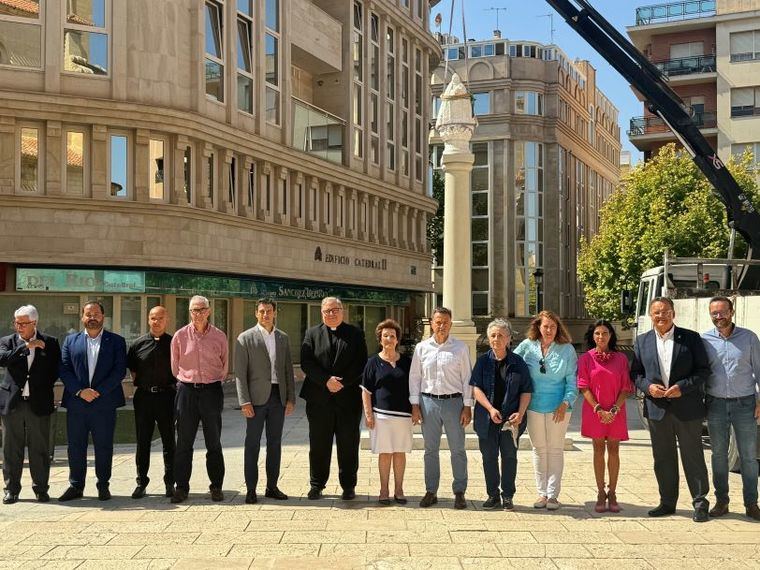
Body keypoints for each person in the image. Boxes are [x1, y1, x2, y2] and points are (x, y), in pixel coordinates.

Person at [632, 297, 711, 522]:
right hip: (657, 409)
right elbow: (635, 374)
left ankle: (700, 502)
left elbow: (703, 371)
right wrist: (648, 387)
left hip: (687, 407)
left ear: (673, 313)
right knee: (663, 458)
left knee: (693, 456)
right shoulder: (642, 341)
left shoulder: (691, 338)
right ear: (651, 315)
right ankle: (667, 502)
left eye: (665, 311)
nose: (661, 316)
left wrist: (682, 388)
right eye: (656, 313)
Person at [58, 301, 127, 501]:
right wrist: (80, 391)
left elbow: (119, 371)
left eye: (96, 313)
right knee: (75, 446)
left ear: (103, 317)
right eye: (88, 314)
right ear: (82, 317)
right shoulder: (71, 341)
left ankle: (103, 485)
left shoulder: (116, 341)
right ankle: (76, 486)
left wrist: (97, 392)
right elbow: (64, 369)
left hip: (104, 403)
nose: (92, 317)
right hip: (77, 403)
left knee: (104, 446)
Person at [300, 297, 367, 500]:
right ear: (321, 312)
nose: (331, 314)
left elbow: (361, 362)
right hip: (319, 400)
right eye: (327, 311)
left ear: (342, 311)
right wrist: (326, 381)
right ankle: (317, 484)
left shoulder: (355, 333)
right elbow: (306, 362)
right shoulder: (312, 333)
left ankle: (348, 486)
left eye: (335, 310)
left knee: (348, 444)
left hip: (348, 399)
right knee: (319, 444)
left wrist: (342, 383)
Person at [701, 296, 760, 521]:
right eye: (714, 313)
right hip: (715, 404)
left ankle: (751, 503)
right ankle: (721, 501)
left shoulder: (749, 338)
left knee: (748, 456)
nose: (719, 317)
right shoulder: (705, 339)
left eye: (722, 312)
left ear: (731, 311)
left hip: (745, 404)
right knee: (718, 456)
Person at [409, 307, 472, 509]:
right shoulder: (421, 348)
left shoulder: (460, 348)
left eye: (445, 322)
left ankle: (459, 491)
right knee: (430, 450)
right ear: (432, 323)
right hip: (429, 403)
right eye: (438, 322)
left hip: (454, 403)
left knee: (458, 449)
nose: (441, 326)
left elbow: (467, 379)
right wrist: (415, 405)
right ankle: (431, 490)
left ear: (450, 324)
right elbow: (415, 377)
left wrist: (467, 406)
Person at [514, 310, 577, 511]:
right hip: (532, 406)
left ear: (557, 328)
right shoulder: (527, 346)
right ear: (538, 327)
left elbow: (572, 382)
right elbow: (511, 365)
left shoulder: (567, 350)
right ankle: (542, 493)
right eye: (545, 326)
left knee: (555, 449)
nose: (549, 330)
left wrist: (565, 403)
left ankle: (553, 496)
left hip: (559, 407)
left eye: (552, 326)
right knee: (539, 450)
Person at [235, 298, 295, 504]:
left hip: (278, 397)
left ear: (275, 313)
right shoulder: (245, 338)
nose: (266, 315)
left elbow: (288, 369)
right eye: (262, 311)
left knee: (275, 444)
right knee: (252, 444)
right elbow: (240, 375)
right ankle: (251, 489)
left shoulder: (283, 338)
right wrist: (244, 401)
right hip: (256, 399)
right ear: (256, 313)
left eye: (269, 311)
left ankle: (272, 487)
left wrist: (290, 398)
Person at [170, 295, 229, 503]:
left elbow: (224, 364)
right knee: (184, 442)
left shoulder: (220, 336)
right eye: (194, 310)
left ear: (209, 311)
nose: (198, 313)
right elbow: (175, 366)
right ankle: (182, 488)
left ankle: (216, 487)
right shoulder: (179, 336)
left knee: (214, 441)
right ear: (189, 312)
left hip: (211, 391)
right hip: (186, 391)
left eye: (202, 309)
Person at [0, 305, 61, 504]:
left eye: (24, 323)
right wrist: (26, 347)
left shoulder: (50, 343)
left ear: (34, 323)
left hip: (39, 403)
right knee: (11, 449)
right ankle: (11, 489)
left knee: (40, 449)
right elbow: (3, 360)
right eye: (17, 323)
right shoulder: (7, 342)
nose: (19, 327)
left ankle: (41, 488)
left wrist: (42, 388)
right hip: (13, 404)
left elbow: (55, 370)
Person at [470, 319, 532, 511]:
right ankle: (493, 495)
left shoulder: (518, 362)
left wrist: (520, 414)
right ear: (489, 339)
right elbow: (476, 389)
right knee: (488, 457)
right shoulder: (482, 362)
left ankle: (508, 496)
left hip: (511, 420)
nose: (497, 339)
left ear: (508, 339)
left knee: (509, 457)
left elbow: (526, 391)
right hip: (486, 418)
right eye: (493, 335)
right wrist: (490, 408)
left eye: (501, 335)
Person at [577, 320, 633, 513]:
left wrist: (614, 410)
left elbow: (626, 387)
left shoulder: (621, 359)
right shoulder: (585, 358)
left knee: (615, 451)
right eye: (597, 333)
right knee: (598, 450)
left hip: (617, 410)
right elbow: (583, 386)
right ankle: (601, 493)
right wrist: (599, 409)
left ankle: (613, 493)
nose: (601, 337)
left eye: (605, 333)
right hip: (595, 411)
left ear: (611, 335)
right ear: (592, 336)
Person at [361, 319, 413, 505]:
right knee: (385, 453)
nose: (389, 339)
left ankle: (399, 489)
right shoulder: (372, 363)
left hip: (404, 416)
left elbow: (414, 388)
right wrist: (368, 415)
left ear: (397, 339)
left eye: (392, 336)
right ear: (380, 339)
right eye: (385, 336)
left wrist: (416, 409)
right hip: (381, 416)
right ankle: (384, 489)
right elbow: (366, 392)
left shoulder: (407, 362)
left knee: (400, 453)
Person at [127, 305, 176, 499]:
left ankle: (169, 483)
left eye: (160, 318)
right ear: (148, 320)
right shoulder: (138, 344)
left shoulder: (174, 343)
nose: (157, 322)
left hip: (167, 397)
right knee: (143, 441)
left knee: (169, 441)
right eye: (153, 318)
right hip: (144, 398)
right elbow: (133, 371)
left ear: (167, 320)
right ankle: (141, 482)